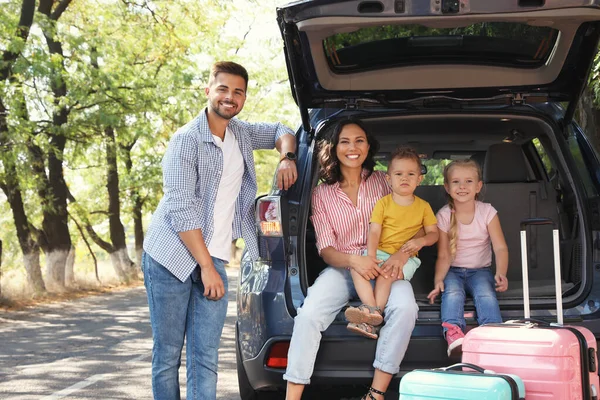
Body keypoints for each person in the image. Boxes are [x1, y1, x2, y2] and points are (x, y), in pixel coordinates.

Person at [142, 61, 297, 400]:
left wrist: (287, 157)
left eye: (238, 92)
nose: (230, 97)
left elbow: (282, 130)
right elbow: (182, 212)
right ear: (208, 90)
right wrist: (208, 268)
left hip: (212, 255)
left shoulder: (240, 133)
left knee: (205, 358)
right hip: (171, 257)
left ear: (243, 98)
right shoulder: (186, 141)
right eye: (223, 89)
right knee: (168, 355)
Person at [284, 118, 419, 400]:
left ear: (369, 147)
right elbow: (326, 250)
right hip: (343, 267)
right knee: (308, 316)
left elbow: (413, 219)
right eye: (345, 141)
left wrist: (398, 255)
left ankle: (375, 393)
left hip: (386, 265)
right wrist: (354, 261)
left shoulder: (386, 181)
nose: (352, 147)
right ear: (334, 148)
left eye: (359, 141)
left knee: (406, 308)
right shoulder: (321, 194)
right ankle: (292, 396)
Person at [345, 146, 439, 339]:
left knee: (386, 275)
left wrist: (420, 241)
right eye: (399, 174)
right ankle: (370, 310)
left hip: (407, 259)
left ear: (419, 179)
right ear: (389, 180)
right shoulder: (383, 203)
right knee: (356, 268)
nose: (405, 178)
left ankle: (373, 314)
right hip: (379, 252)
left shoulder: (423, 207)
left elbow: (433, 234)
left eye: (411, 174)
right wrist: (370, 257)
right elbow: (374, 230)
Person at [427, 159, 509, 356]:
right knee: (452, 294)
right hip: (452, 271)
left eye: (469, 181)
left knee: (486, 294)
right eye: (456, 182)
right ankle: (454, 334)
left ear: (478, 186)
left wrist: (501, 273)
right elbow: (444, 254)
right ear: (447, 187)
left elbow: (500, 247)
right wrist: (438, 280)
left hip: (480, 271)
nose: (462, 187)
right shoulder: (444, 215)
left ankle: (492, 333)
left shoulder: (487, 212)